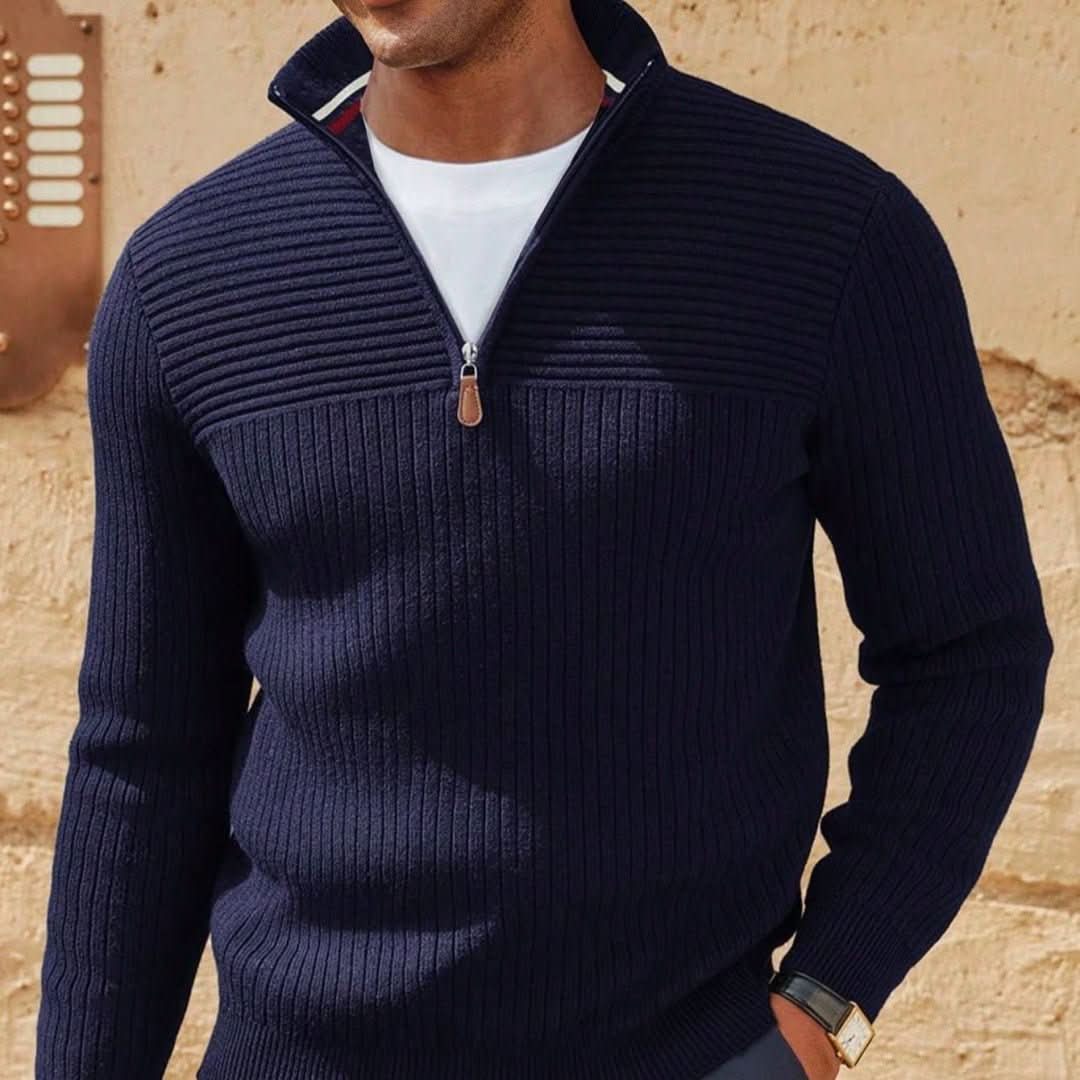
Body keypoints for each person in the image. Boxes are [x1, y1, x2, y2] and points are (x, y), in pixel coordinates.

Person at [34, 0, 1054, 1077]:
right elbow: (145, 756)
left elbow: (968, 654)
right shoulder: (191, 279)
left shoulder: (824, 235)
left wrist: (822, 1004)